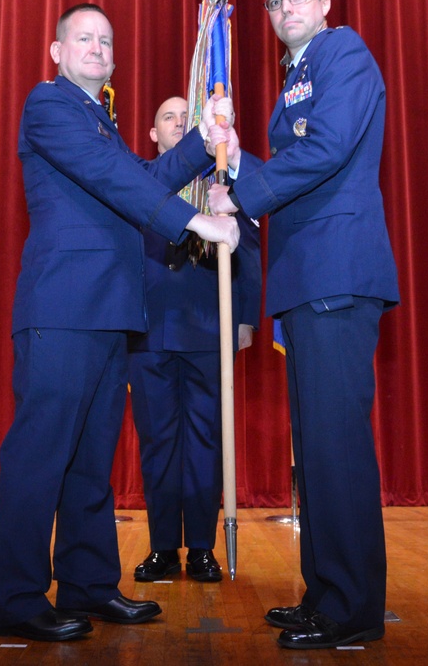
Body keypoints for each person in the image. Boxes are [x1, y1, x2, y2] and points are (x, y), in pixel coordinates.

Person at [0, 3, 240, 642]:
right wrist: (195, 221)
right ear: (56, 50)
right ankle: (16, 600)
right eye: (84, 39)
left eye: (106, 41)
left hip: (109, 314)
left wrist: (203, 145)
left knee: (91, 460)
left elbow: (141, 177)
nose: (97, 49)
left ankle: (89, 583)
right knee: (39, 457)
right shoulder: (49, 107)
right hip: (63, 310)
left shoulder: (101, 122)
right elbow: (111, 179)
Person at [208, 0, 399, 650]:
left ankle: (352, 611)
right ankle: (325, 592)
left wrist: (243, 193)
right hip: (307, 275)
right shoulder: (296, 76)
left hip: (337, 269)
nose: (284, 8)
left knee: (337, 447)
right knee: (316, 450)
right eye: (273, 2)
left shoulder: (343, 51)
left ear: (322, 3)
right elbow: (294, 171)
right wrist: (235, 162)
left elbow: (328, 149)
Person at [128, 96, 262, 583]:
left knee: (207, 440)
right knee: (158, 443)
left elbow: (248, 247)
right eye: (169, 118)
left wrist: (245, 317)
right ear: (152, 132)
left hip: (209, 326)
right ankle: (164, 546)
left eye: (188, 119)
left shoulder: (222, 184)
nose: (180, 125)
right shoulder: (136, 177)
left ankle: (202, 547)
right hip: (149, 332)